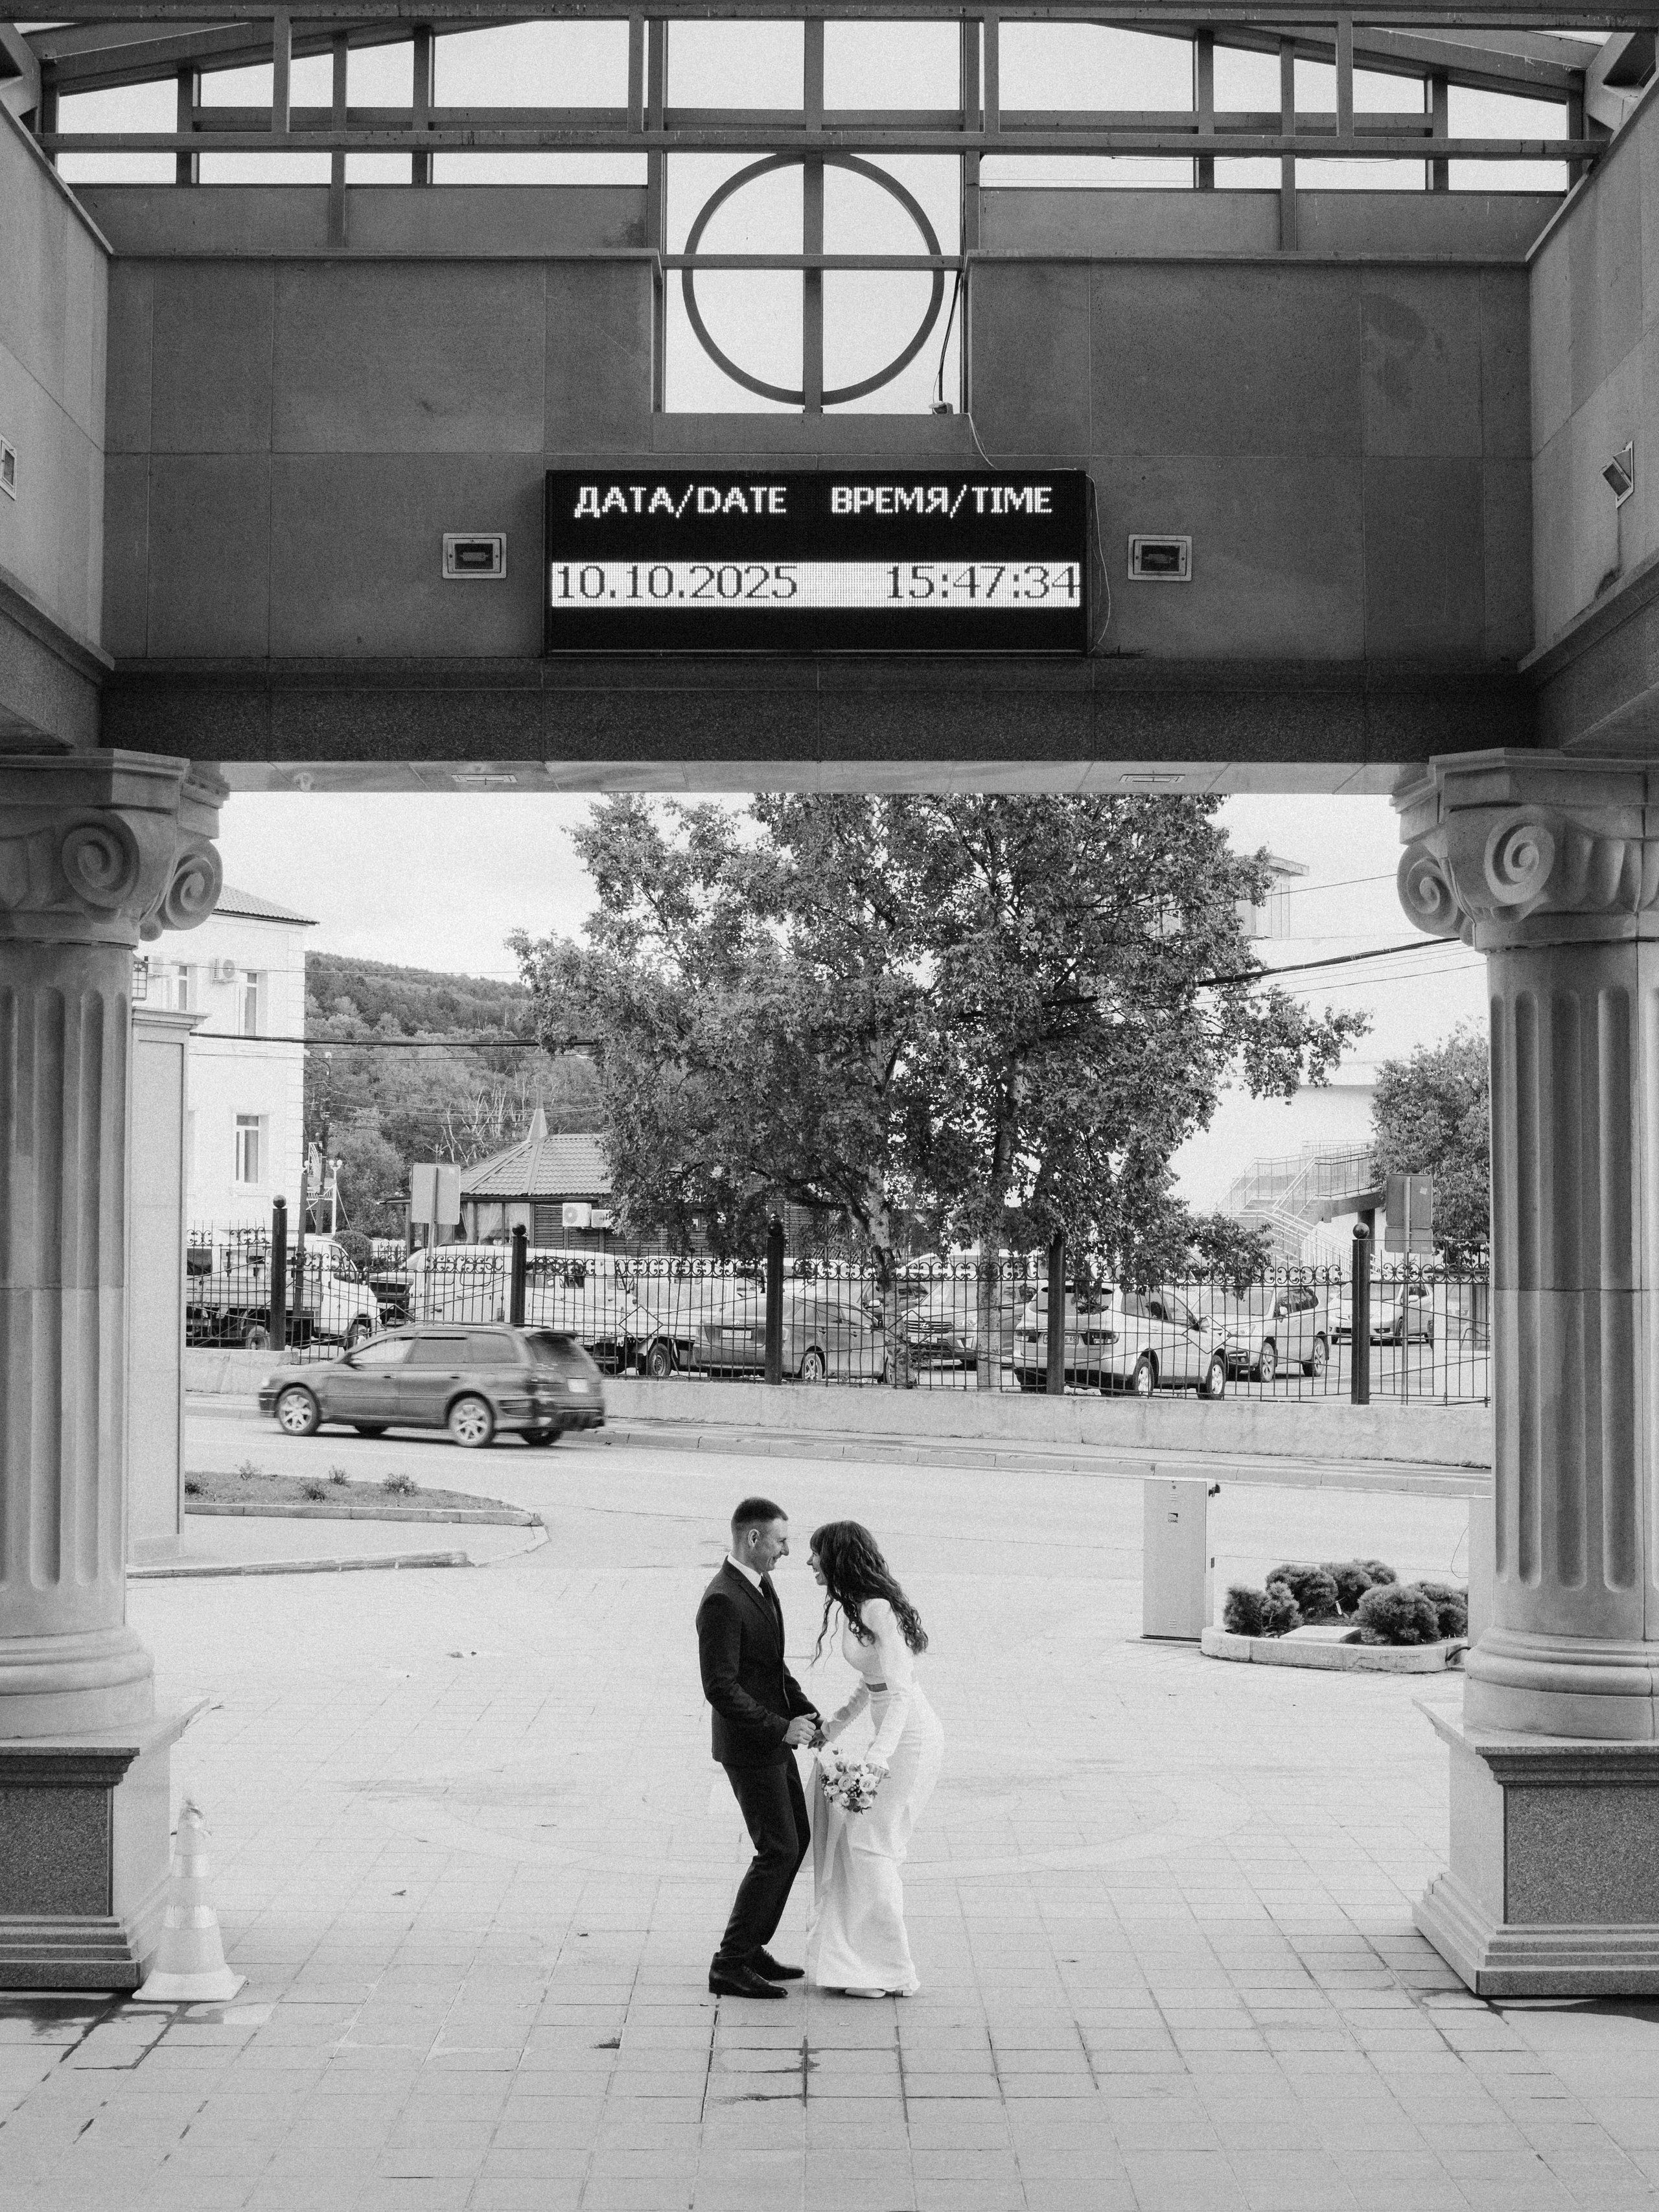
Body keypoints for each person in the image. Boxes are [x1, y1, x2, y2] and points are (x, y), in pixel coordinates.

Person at [805, 1520, 944, 1997]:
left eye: (815, 1553)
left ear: (838, 1557)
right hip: (888, 1731)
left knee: (872, 1845)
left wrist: (878, 1758)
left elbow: (900, 1691)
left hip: (910, 1736)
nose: (809, 1563)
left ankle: (891, 1968)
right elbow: (872, 1682)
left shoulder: (879, 1609)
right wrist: (836, 1724)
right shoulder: (855, 1608)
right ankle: (856, 1962)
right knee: (857, 1844)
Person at [697, 1495, 822, 2000]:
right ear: (753, 1538)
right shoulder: (722, 1599)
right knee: (779, 1849)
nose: (788, 1551)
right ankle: (730, 1962)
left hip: (774, 1738)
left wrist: (805, 1709)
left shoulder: (760, 1584)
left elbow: (772, 1667)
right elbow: (720, 1687)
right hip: (750, 1746)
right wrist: (779, 1727)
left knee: (798, 1840)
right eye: (781, 1541)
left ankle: (751, 1948)